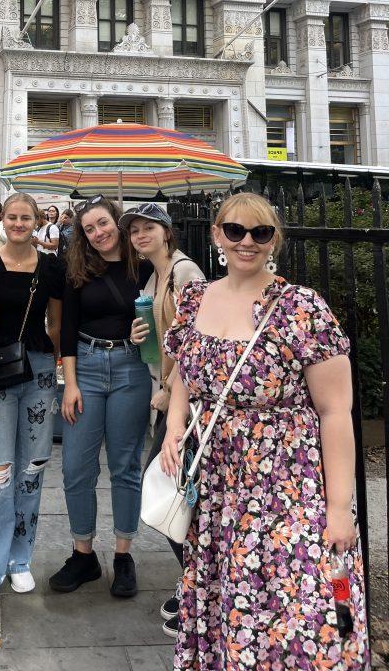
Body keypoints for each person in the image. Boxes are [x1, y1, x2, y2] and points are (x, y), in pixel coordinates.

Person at [160, 192, 369, 670]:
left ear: (275, 240)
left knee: (314, 604)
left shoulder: (301, 308)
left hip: (288, 483)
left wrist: (340, 509)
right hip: (217, 486)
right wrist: (175, 427)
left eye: (261, 232)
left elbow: (336, 411)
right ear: (217, 235)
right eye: (235, 231)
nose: (247, 242)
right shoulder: (195, 299)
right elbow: (182, 377)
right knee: (228, 600)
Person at [50, 196, 153, 598]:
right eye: (89, 228)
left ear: (118, 222)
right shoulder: (78, 269)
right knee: (77, 467)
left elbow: (165, 313)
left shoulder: (143, 266)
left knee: (125, 466)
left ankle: (124, 555)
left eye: (103, 224)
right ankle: (83, 554)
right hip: (87, 369)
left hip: (131, 369)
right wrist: (69, 383)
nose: (98, 233)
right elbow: (68, 329)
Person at [0, 192, 64, 607]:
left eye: (26, 217)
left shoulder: (51, 267)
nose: (19, 223)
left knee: (33, 467)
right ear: (1, 219)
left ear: (37, 220)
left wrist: (60, 368)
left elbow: (56, 325)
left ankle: (20, 558)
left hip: (39, 371)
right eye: (12, 216)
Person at [120, 202, 204, 637]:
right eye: (134, 230)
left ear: (168, 232)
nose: (139, 236)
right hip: (168, 399)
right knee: (176, 496)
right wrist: (140, 336)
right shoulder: (154, 275)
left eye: (148, 228)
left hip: (184, 405)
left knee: (172, 495)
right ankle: (198, 582)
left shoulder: (185, 273)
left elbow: (197, 340)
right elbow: (164, 338)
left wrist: (170, 388)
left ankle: (199, 586)